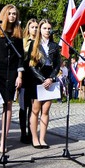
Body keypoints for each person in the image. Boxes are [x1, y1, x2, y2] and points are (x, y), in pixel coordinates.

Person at [0, 4, 24, 154]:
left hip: (11, 73)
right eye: (10, 13)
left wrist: (19, 75)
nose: (12, 16)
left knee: (8, 105)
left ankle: (3, 139)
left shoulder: (17, 33)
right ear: (4, 14)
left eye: (15, 14)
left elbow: (21, 56)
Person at [26, 19, 60, 148]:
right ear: (40, 29)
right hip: (37, 78)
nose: (47, 30)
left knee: (45, 110)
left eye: (49, 28)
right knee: (35, 109)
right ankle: (34, 138)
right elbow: (31, 66)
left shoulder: (55, 46)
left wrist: (51, 78)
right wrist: (42, 79)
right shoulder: (34, 44)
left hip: (50, 78)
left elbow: (57, 65)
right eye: (45, 28)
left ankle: (42, 138)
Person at [18, 18, 39, 144]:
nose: (35, 29)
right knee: (23, 106)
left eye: (37, 27)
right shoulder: (23, 42)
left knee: (33, 107)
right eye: (32, 27)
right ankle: (22, 133)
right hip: (24, 76)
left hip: (36, 77)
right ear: (28, 28)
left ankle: (32, 132)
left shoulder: (41, 43)